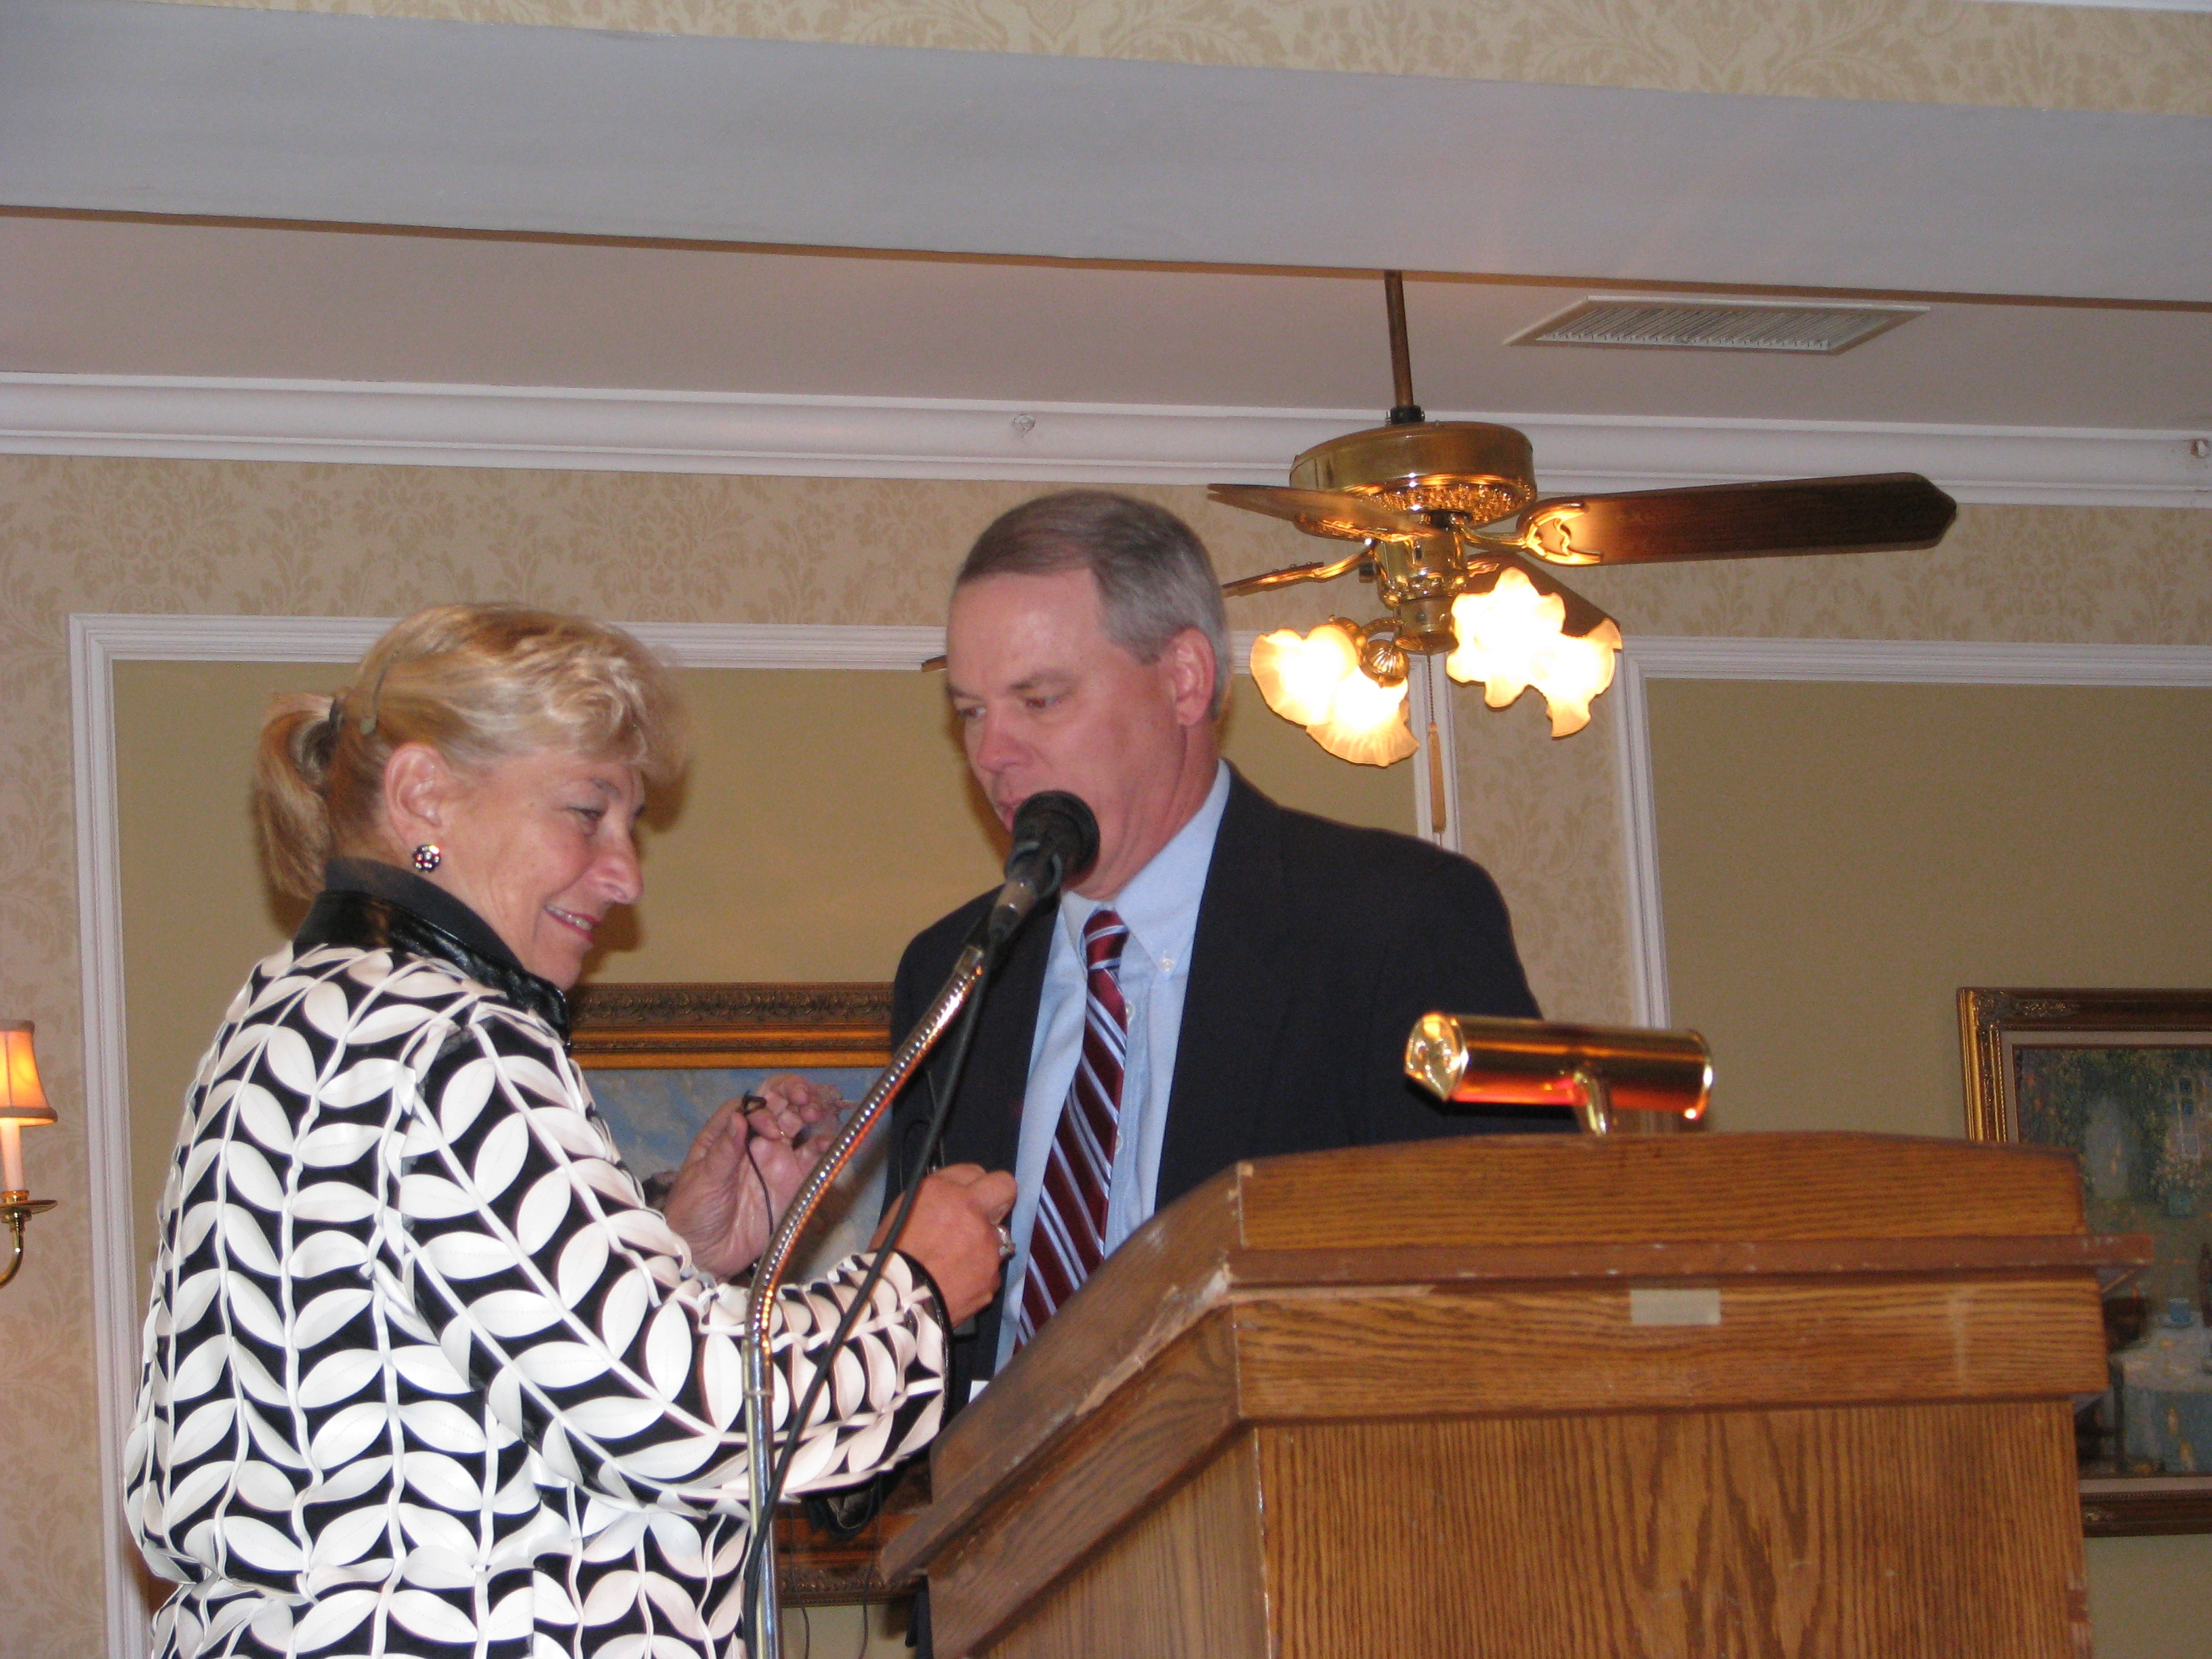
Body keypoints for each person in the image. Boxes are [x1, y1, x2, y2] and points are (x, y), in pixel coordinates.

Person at [125, 604, 1016, 1659]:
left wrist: (672, 1245)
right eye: (587, 814)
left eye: (627, 826)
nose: (626, 873)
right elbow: (690, 1415)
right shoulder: (447, 1042)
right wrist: (911, 1286)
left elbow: (448, 1369)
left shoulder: (288, 1010)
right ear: (424, 796)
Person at [892, 491, 1566, 1412]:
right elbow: (900, 1410)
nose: (991, 752)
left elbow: (1514, 1305)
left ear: (1183, 679)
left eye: (1038, 700)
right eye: (969, 712)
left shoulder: (1393, 926)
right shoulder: (956, 972)